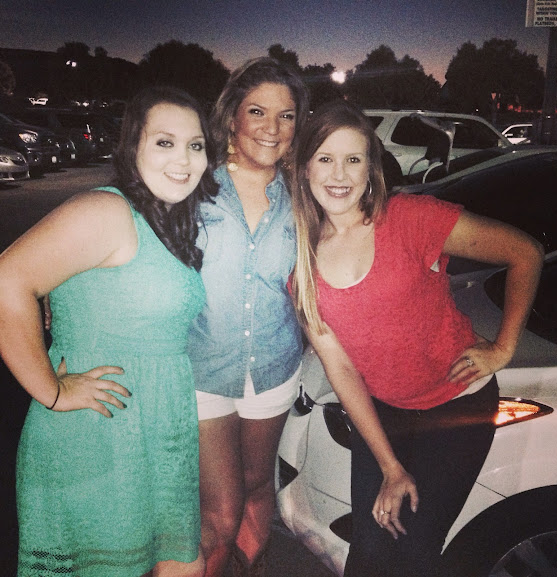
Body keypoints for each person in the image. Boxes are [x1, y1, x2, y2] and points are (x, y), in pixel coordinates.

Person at [290, 100, 544, 577]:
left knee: (415, 551)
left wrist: (503, 348)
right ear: (305, 168)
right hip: (384, 412)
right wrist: (389, 466)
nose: (338, 174)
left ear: (371, 168)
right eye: (325, 158)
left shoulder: (409, 218)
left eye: (353, 158)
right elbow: (341, 370)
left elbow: (524, 253)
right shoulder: (302, 262)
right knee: (369, 549)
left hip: (457, 407)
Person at [0, 85, 218, 577]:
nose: (183, 159)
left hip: (156, 432)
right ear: (132, 146)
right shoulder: (107, 210)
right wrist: (52, 391)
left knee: (181, 565)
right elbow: (7, 280)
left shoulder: (167, 220)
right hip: (97, 431)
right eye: (164, 142)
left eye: (195, 145)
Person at [186, 57, 309, 577]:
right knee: (218, 508)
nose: (271, 127)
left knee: (259, 486)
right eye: (257, 111)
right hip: (202, 369)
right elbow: (127, 237)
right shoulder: (192, 185)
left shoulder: (305, 194)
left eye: (286, 115)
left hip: (274, 365)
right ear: (232, 116)